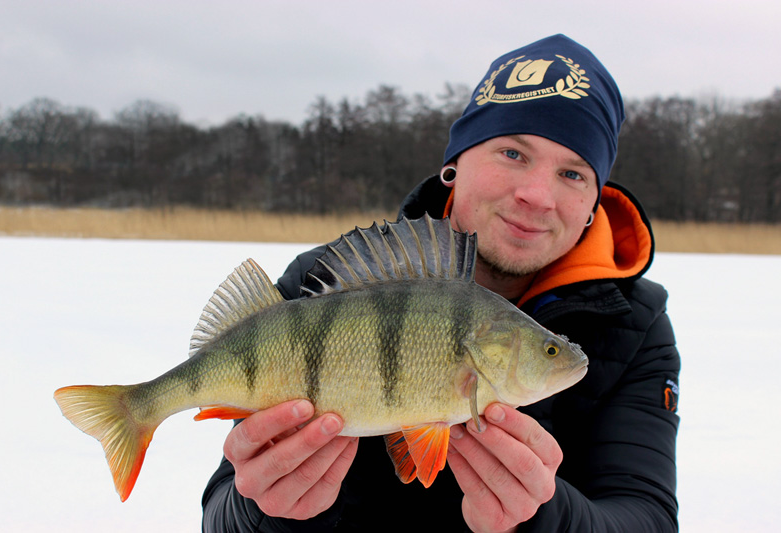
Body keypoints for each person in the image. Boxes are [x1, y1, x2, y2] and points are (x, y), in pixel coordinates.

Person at [201, 34, 680, 532]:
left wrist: (543, 519)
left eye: (574, 174)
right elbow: (220, 517)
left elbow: (648, 517)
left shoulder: (637, 327)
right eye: (513, 153)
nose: (537, 195)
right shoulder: (325, 285)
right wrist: (266, 512)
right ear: (454, 163)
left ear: (593, 204)